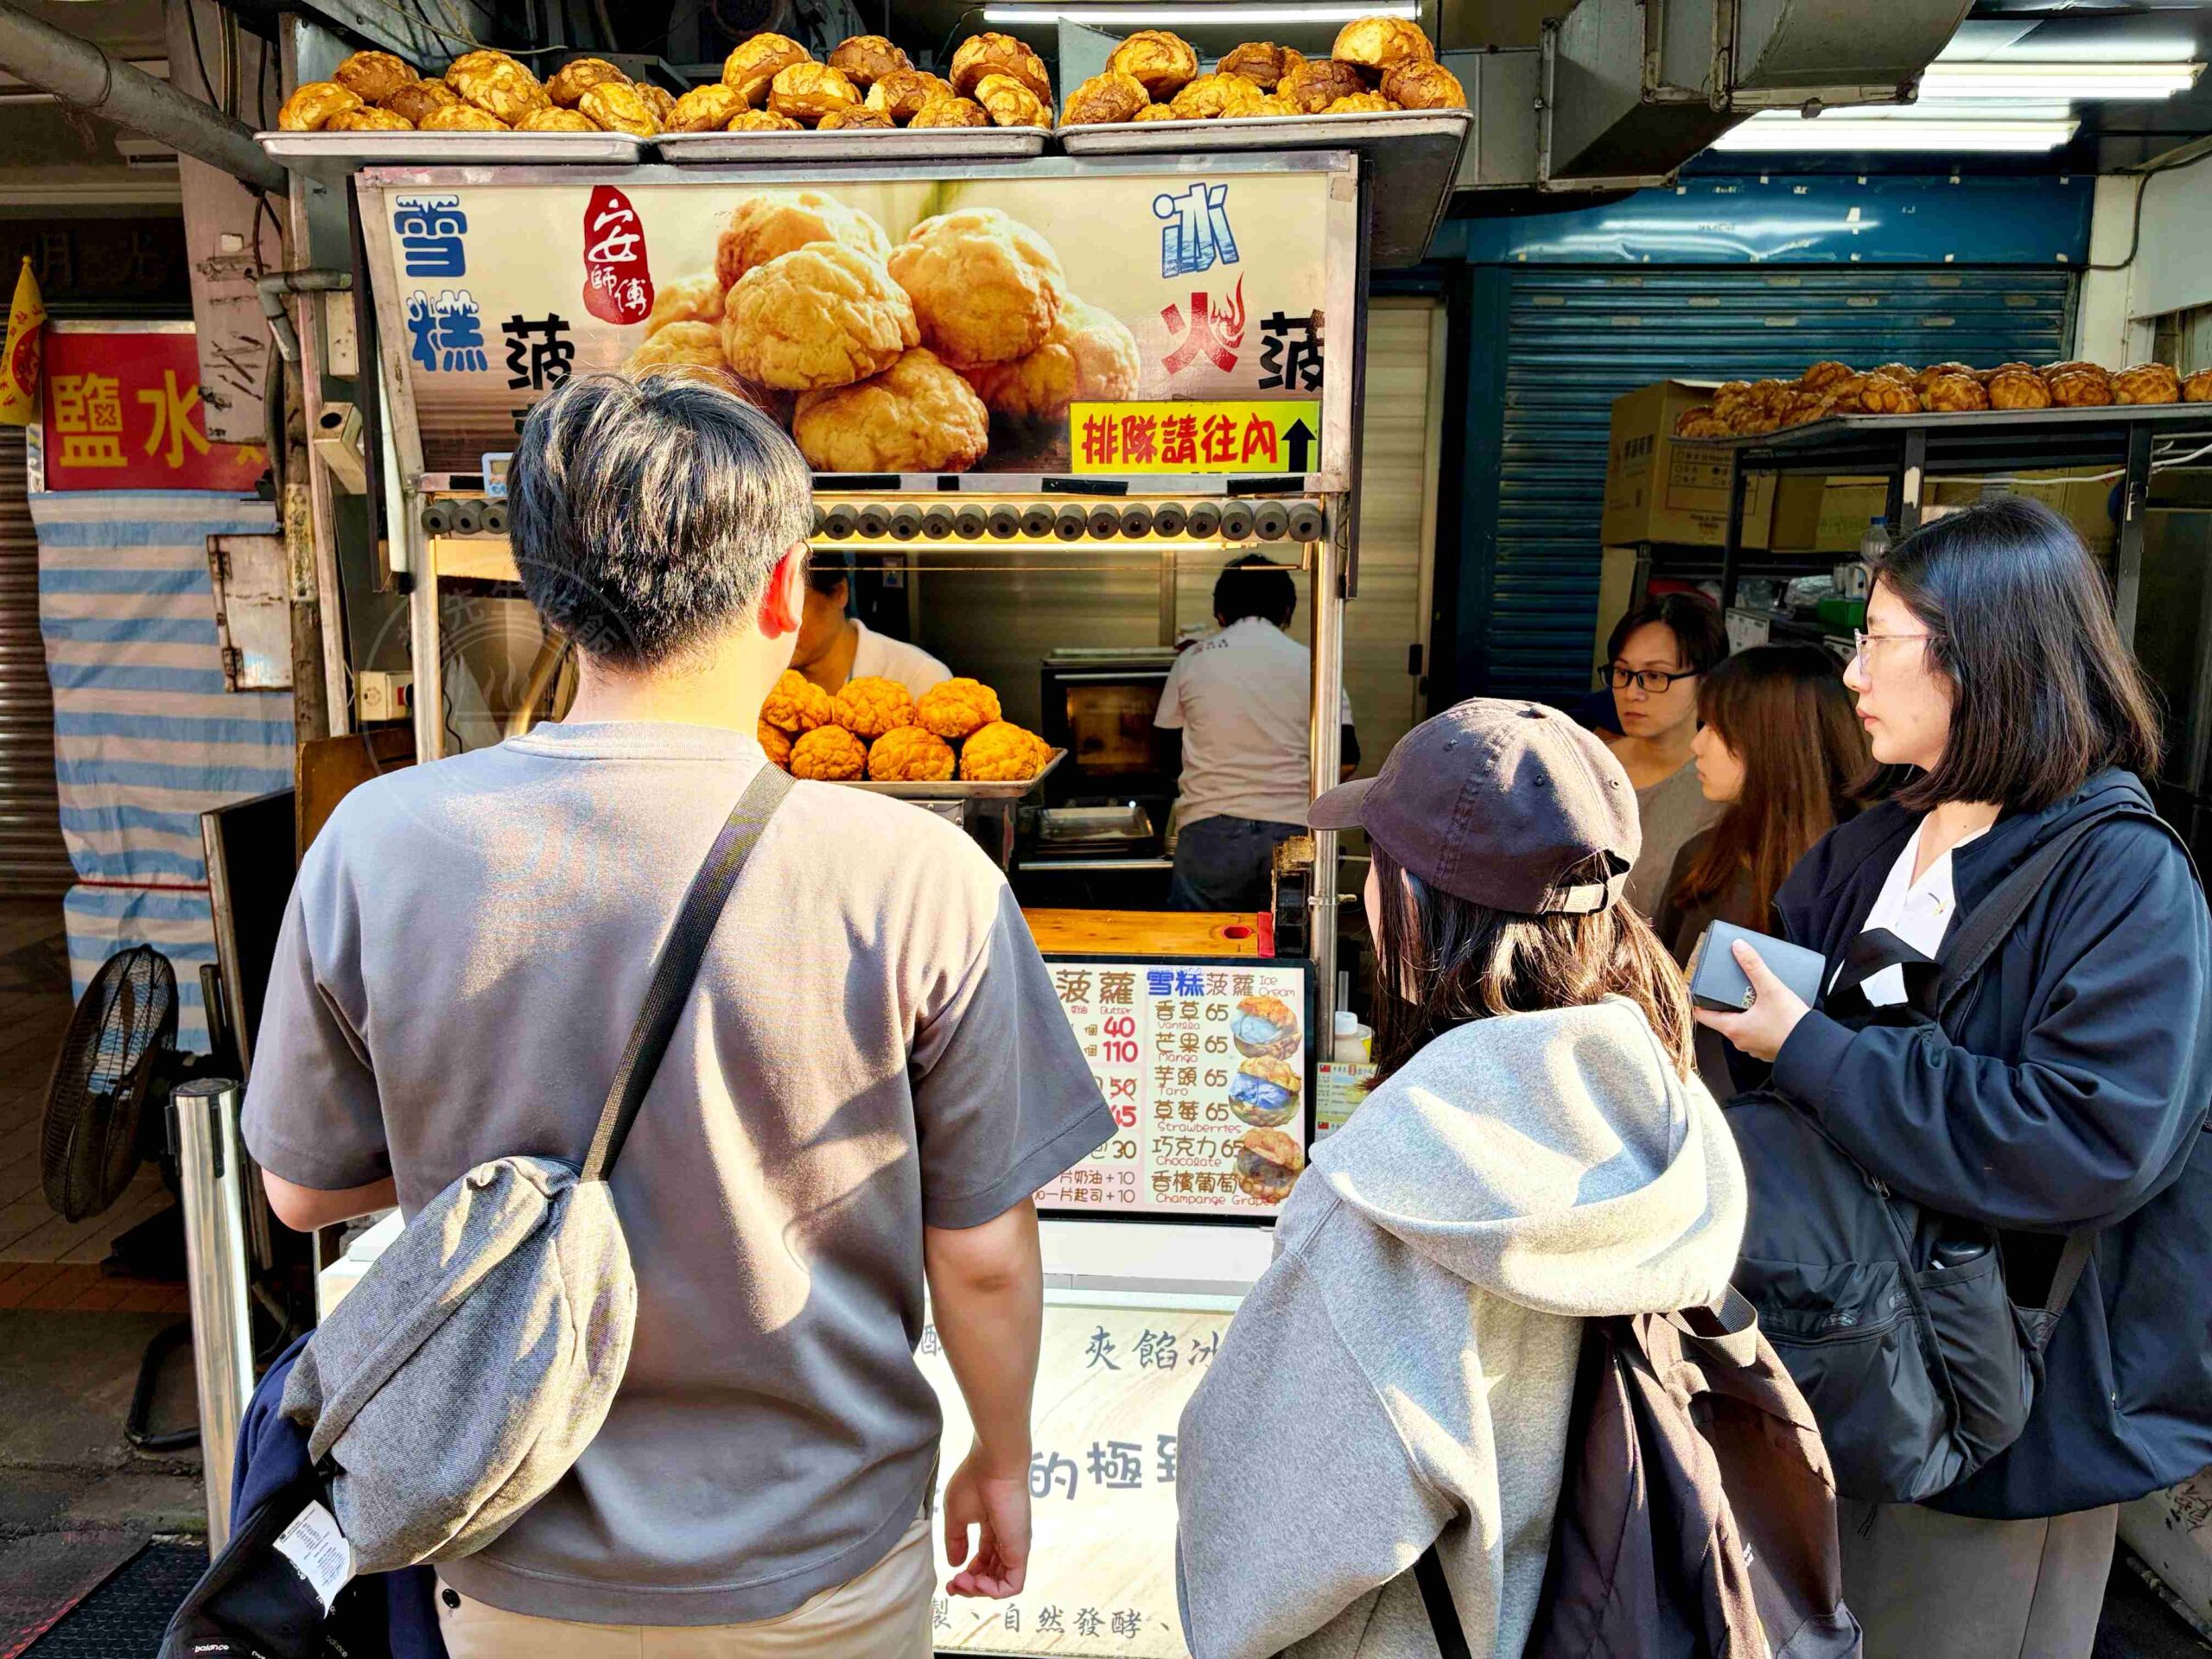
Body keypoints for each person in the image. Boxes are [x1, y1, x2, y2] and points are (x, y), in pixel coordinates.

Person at [241, 373, 1114, 1657]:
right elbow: (980, 1255)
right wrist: (1002, 1449)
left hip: (502, 1548)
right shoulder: (919, 874)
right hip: (825, 1559)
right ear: (780, 591)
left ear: (549, 596)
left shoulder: (376, 840)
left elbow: (303, 1196)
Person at [1699, 497, 2212, 1659]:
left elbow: (2091, 1142)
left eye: (1877, 640)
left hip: (2001, 1402)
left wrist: (1814, 1048)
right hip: (1836, 1358)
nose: (1853, 673)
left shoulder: (2120, 878)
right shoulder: (1872, 842)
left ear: (1981, 658)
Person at [1176, 700, 1746, 1659]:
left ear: (1413, 903)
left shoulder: (1395, 1188)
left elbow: (1269, 1550)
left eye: (1373, 866)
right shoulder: (1662, 1116)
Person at [1653, 643, 1867, 1097]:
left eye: (1718, 727)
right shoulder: (1704, 859)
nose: (1697, 744)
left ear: (1773, 741)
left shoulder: (1863, 877)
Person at [1155, 553, 1357, 912]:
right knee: (1287, 957)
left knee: (1202, 952)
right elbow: (1347, 760)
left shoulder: (1192, 661)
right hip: (1294, 836)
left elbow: (1167, 756)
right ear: (1287, 610)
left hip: (1208, 833)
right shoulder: (1315, 665)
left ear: (1220, 611)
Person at [1599, 593, 1730, 918]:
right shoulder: (1588, 762)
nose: (1632, 692)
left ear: (1705, 682)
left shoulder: (1720, 790)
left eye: (1655, 676)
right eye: (1622, 673)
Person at [790, 550, 950, 699]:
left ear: (840, 593)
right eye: (764, 610)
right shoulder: (767, 683)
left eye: (793, 606)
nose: (776, 626)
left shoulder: (920, 679)